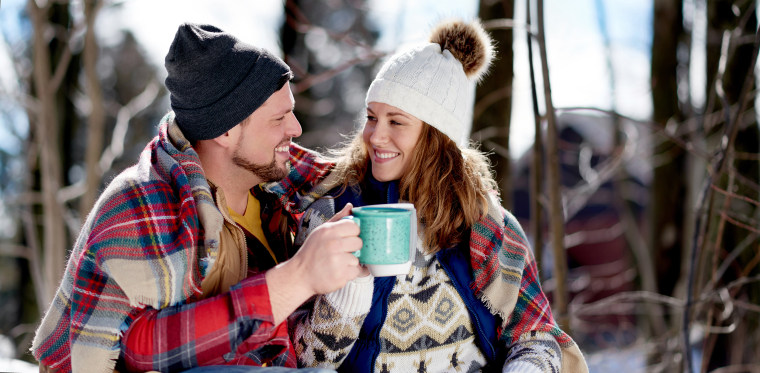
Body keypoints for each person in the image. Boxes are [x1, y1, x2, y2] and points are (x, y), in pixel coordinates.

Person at [30, 23, 364, 373]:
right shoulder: (142, 202)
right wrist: (297, 278)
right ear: (226, 129)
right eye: (279, 118)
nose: (295, 129)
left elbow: (352, 173)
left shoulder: (278, 185)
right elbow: (135, 349)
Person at [289, 19, 589, 372]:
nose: (375, 136)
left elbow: (536, 334)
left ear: (436, 136)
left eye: (396, 122)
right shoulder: (331, 211)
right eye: (372, 117)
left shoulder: (488, 226)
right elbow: (302, 360)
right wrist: (349, 291)